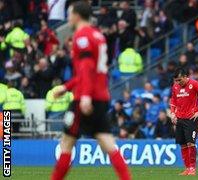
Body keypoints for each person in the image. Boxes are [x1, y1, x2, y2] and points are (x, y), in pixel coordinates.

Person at [50, 2, 131, 180]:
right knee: (108, 143)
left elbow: (86, 68)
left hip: (85, 98)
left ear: (78, 15)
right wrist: (66, 87)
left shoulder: (82, 36)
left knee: (66, 143)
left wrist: (84, 96)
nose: (68, 17)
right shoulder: (98, 35)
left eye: (70, 14)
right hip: (101, 96)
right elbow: (90, 71)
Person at [170, 68, 198, 176]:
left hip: (191, 119)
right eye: (176, 81)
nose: (178, 82)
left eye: (179, 80)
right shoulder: (175, 87)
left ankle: (192, 168)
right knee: (182, 144)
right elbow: (173, 101)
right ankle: (187, 168)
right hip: (179, 119)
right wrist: (173, 113)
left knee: (190, 143)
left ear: (185, 76)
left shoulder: (195, 84)